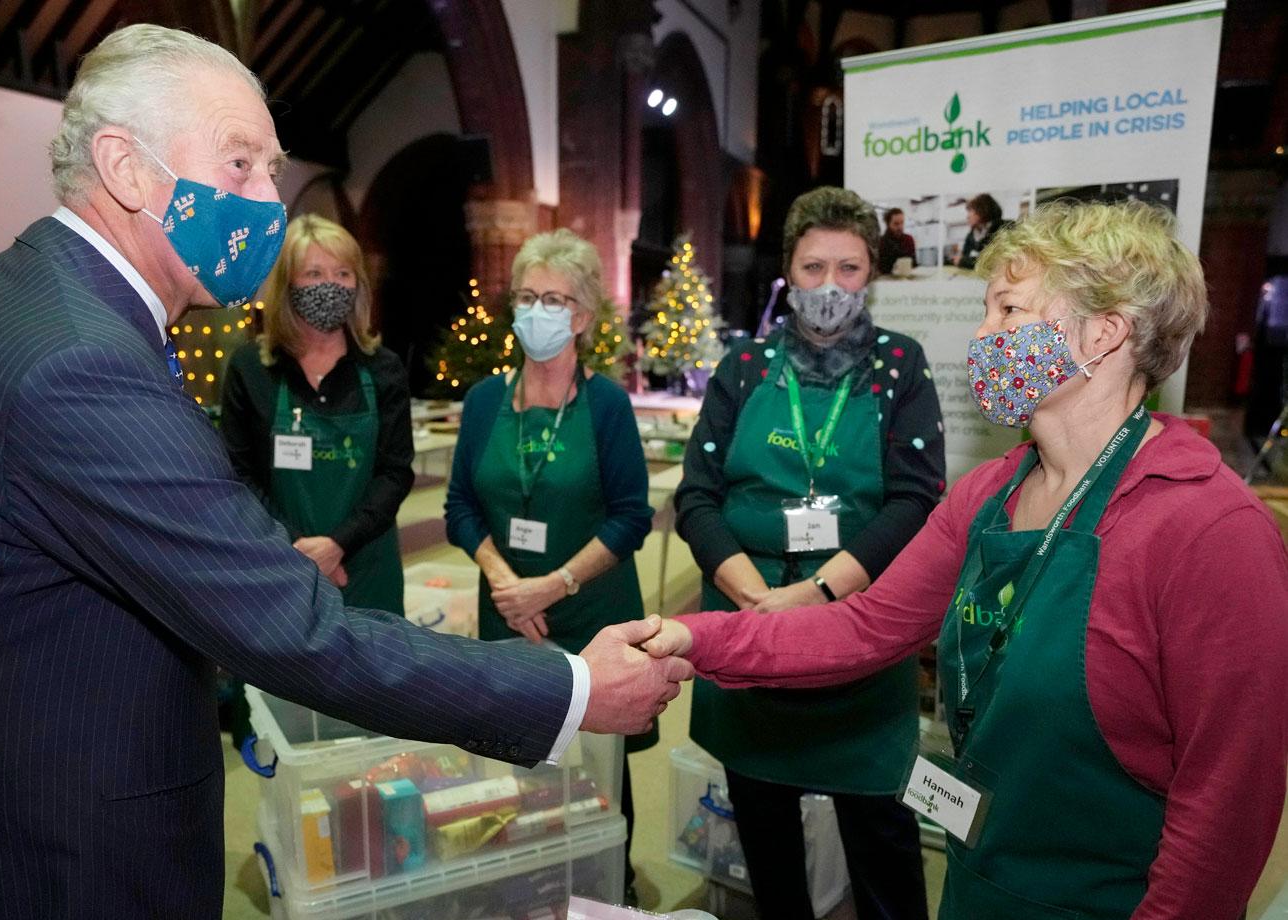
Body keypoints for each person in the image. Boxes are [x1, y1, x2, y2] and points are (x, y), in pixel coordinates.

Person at [0, 25, 691, 919]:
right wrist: (574, 688)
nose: (265, 201)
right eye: (238, 164)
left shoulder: (40, 302)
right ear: (124, 167)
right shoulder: (78, 360)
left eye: (270, 170)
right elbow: (298, 630)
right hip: (52, 854)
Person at [650, 200, 1288, 920]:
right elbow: (865, 629)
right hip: (978, 882)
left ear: (1106, 333)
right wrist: (693, 637)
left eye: (1008, 311)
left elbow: (1224, 813)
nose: (983, 336)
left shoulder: (1212, 532)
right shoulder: (991, 493)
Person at [674, 186, 943, 920]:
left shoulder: (900, 367)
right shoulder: (745, 368)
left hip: (857, 629)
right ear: (788, 274)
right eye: (814, 266)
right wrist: (752, 597)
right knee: (764, 828)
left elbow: (915, 499)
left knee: (879, 834)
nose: (830, 287)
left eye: (849, 269)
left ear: (872, 276)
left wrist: (818, 594)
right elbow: (696, 497)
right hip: (749, 630)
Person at [445, 229, 654, 902]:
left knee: (598, 781)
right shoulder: (483, 403)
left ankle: (603, 894)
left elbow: (630, 516)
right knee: (513, 776)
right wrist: (509, 585)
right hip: (508, 618)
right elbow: (459, 508)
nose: (539, 311)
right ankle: (520, 896)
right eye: (528, 296)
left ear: (584, 316)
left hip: (591, 621)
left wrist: (553, 585)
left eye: (556, 299)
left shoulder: (608, 405)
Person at [221, 213, 411, 613]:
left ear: (358, 284)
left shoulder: (383, 368)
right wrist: (300, 548)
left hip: (365, 566)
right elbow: (238, 475)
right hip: (279, 563)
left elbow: (395, 473)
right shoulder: (251, 369)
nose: (331, 285)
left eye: (343, 273)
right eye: (314, 273)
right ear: (287, 284)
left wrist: (338, 545)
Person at [953, 192, 1004, 269]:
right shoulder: (971, 235)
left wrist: (963, 261)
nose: (967, 216)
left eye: (970, 211)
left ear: (982, 211)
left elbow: (993, 262)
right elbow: (966, 256)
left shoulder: (1002, 228)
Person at [879, 207, 916, 274]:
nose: (900, 227)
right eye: (896, 224)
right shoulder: (881, 242)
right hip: (887, 280)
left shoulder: (909, 240)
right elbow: (881, 268)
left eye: (902, 222)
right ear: (888, 224)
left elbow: (914, 264)